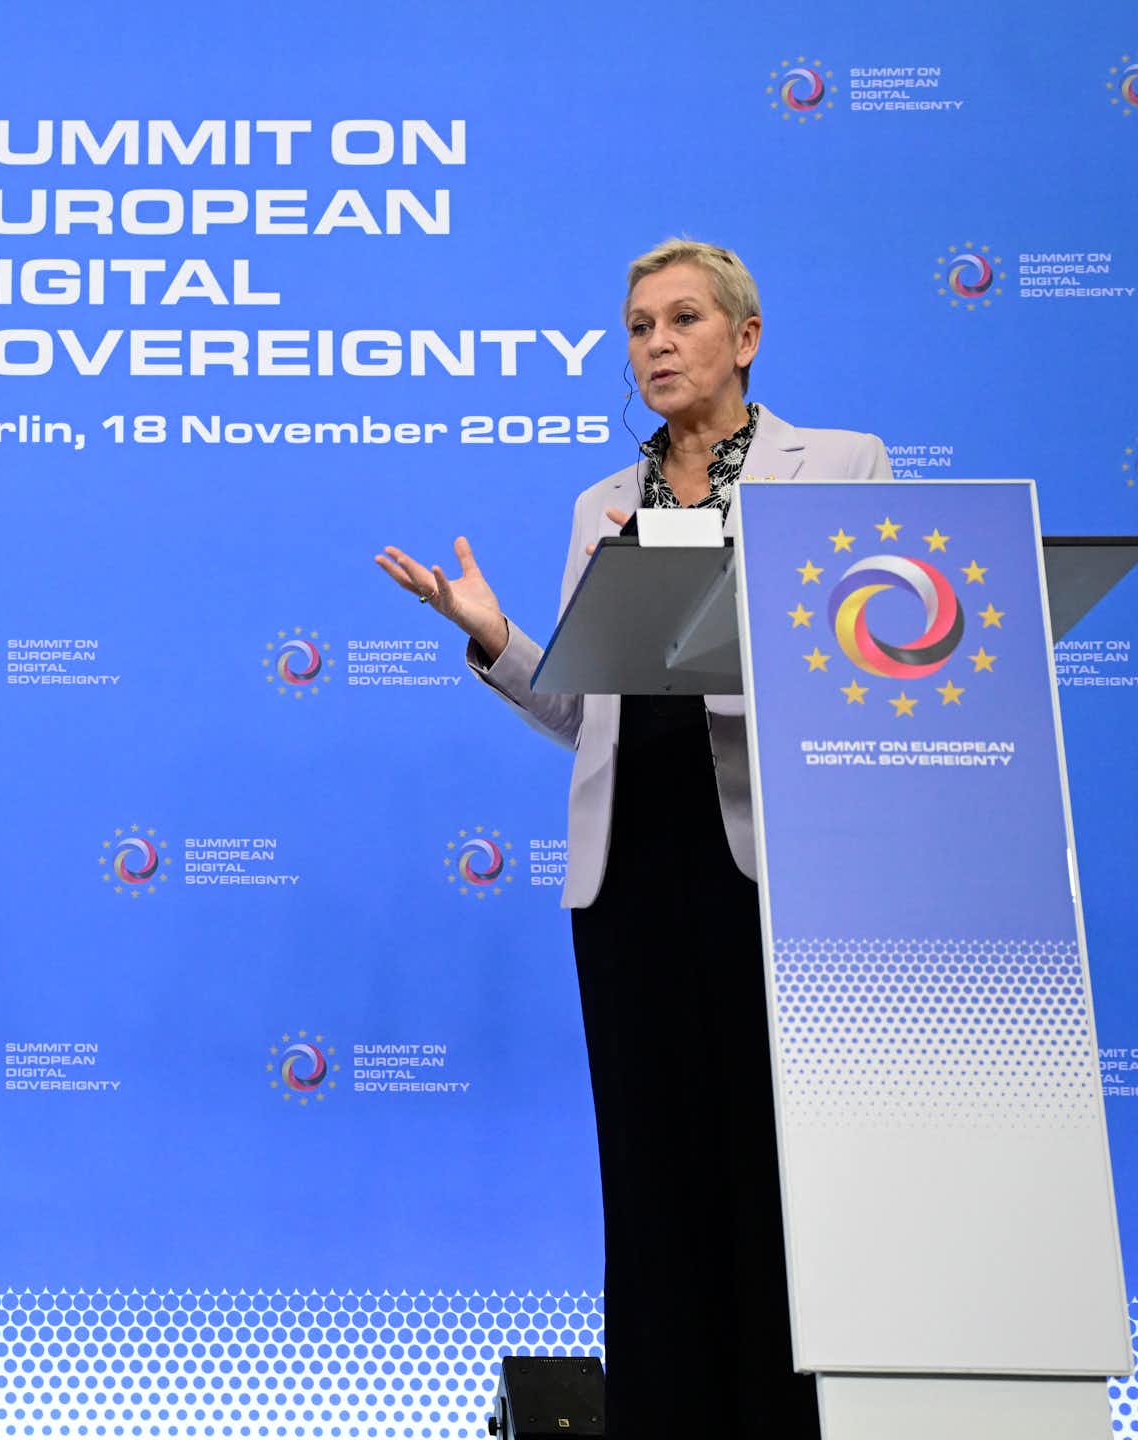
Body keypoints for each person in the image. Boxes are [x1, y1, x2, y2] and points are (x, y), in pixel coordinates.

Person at [375, 238, 890, 1438]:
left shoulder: (838, 465)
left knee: (774, 1158)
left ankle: (785, 1416)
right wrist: (494, 636)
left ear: (744, 339)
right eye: (640, 327)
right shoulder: (600, 504)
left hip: (773, 866)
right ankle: (666, 1412)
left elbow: (863, 664)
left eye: (683, 319)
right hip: (629, 867)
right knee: (652, 1162)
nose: (657, 345)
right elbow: (579, 710)